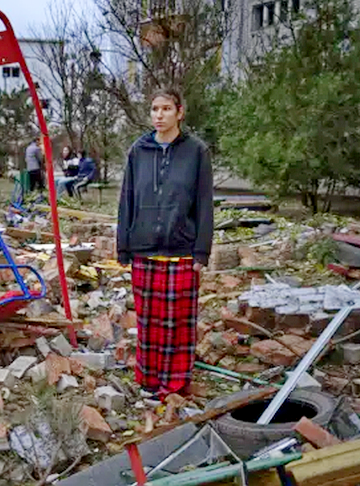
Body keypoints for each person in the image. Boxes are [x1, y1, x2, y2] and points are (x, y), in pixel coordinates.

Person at [116, 87, 213, 400]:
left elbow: (204, 203)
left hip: (182, 252)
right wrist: (124, 245)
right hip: (144, 251)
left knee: (178, 326)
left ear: (180, 112)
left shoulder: (196, 152)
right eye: (155, 109)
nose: (159, 115)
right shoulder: (138, 151)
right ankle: (148, 381)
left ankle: (174, 385)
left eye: (166, 109)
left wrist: (201, 251)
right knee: (149, 324)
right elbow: (127, 198)